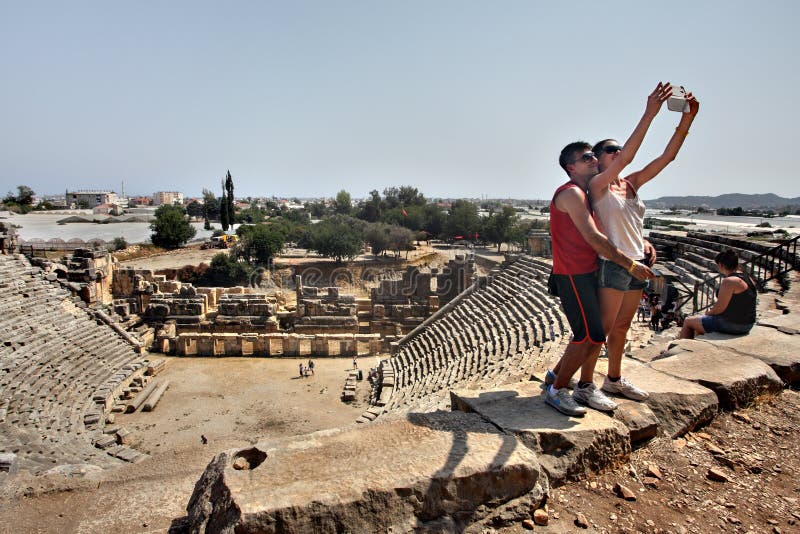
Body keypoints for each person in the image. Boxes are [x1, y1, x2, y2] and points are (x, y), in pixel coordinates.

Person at [543, 84, 664, 416]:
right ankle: (556, 390)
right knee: (591, 334)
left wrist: (642, 245)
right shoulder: (571, 194)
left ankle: (556, 376)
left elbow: (615, 227)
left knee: (591, 334)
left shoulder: (588, 193)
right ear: (571, 167)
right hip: (574, 275)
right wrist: (631, 264)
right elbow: (597, 239)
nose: (593, 160)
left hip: (589, 271)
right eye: (586, 158)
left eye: (594, 155)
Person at [587, 84, 699, 401]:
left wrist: (688, 120)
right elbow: (631, 156)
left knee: (621, 327)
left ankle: (614, 379)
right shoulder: (599, 186)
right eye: (611, 150)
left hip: (639, 263)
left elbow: (669, 156)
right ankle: (584, 386)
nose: (617, 152)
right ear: (598, 160)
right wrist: (650, 112)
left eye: (618, 148)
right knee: (603, 329)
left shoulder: (631, 183)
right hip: (614, 263)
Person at [680, 249, 757, 338]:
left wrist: (708, 313)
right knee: (699, 324)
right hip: (748, 324)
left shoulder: (729, 281)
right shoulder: (748, 278)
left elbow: (720, 308)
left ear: (721, 265)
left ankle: (677, 349)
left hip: (733, 325)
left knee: (688, 321)